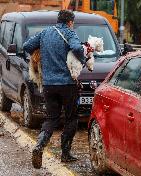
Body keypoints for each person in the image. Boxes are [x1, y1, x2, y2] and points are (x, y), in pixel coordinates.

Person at [23, 10, 92, 169]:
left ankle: (39, 145)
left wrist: (43, 59)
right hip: (67, 84)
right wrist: (84, 59)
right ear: (70, 22)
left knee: (51, 118)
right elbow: (76, 48)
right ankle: (65, 153)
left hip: (48, 85)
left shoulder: (45, 33)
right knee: (71, 118)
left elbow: (27, 46)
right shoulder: (69, 33)